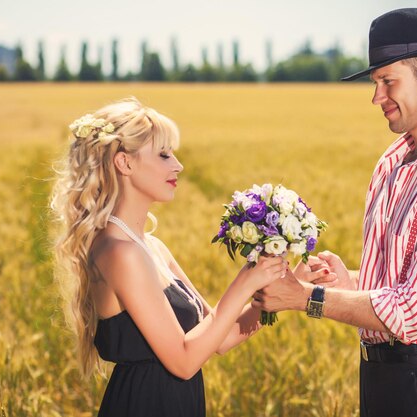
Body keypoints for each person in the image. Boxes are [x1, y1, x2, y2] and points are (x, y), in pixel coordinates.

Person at [253, 8, 417, 417]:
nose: (376, 97)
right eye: (375, 84)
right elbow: (399, 283)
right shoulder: (391, 162)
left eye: (387, 81)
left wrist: (306, 298)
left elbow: (412, 311)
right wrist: (348, 281)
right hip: (376, 380)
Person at [50, 97, 287, 417]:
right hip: (145, 405)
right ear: (125, 163)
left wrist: (281, 290)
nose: (178, 165)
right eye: (163, 154)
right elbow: (185, 361)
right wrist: (246, 280)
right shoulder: (120, 253)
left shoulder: (153, 247)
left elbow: (221, 337)